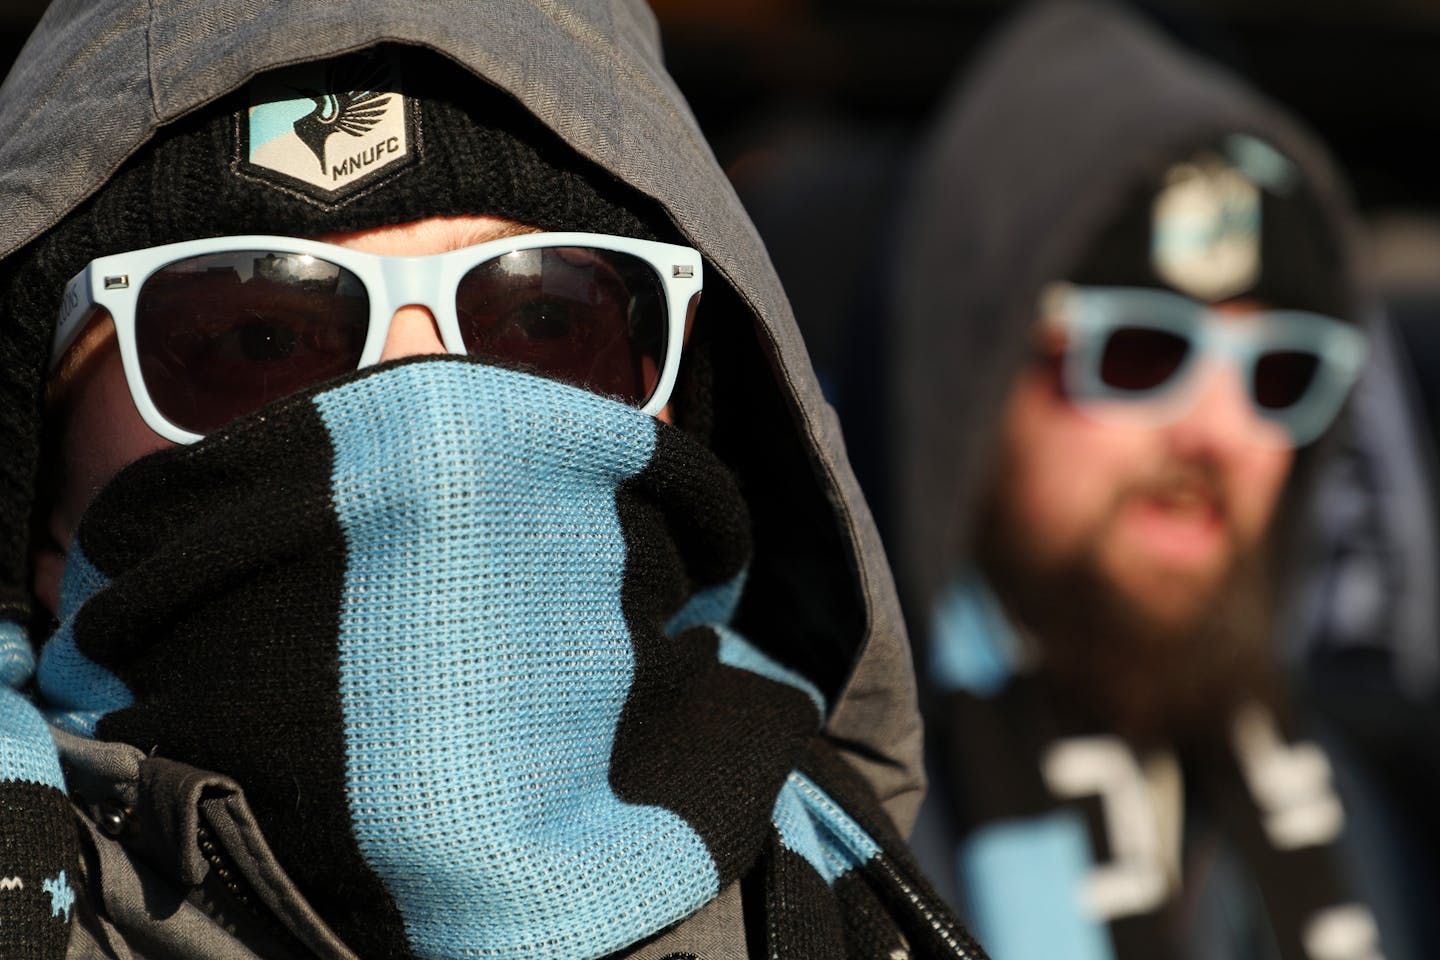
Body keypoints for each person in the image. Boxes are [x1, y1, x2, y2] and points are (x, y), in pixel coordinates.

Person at [0, 3, 986, 958]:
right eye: (258, 336)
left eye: (546, 322)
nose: (427, 416)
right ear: (41, 513)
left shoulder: (860, 916)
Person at [888, 1, 1414, 957]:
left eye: (1283, 372)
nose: (1222, 431)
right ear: (975, 368)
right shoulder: (829, 808)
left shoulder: (1332, 806)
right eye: (1139, 350)